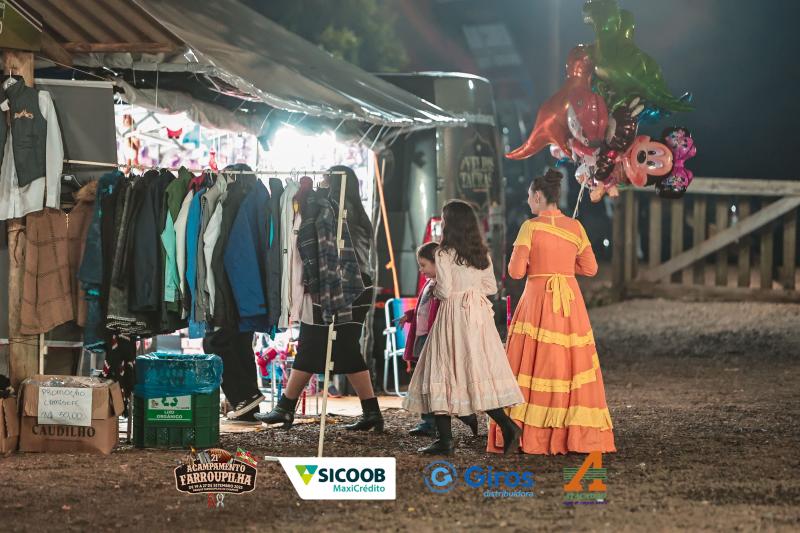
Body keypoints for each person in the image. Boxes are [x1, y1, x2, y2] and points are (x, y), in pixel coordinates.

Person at [488, 169, 616, 455]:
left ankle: (533, 432)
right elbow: (591, 268)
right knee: (570, 361)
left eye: (529, 197)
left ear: (538, 196)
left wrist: (538, 267)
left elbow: (516, 272)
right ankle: (573, 435)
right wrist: (564, 268)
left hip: (537, 299)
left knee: (536, 361)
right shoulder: (576, 227)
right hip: (570, 301)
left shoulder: (529, 227)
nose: (527, 202)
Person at [256, 166, 383, 431]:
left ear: (334, 184)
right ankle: (369, 412)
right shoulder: (357, 213)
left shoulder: (332, 210)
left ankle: (286, 408)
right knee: (329, 344)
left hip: (338, 285)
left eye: (325, 181)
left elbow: (326, 252)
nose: (321, 185)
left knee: (324, 343)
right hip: (358, 286)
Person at [403, 200, 524, 455]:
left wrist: (437, 290)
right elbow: (491, 287)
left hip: (453, 316)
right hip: (478, 317)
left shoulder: (443, 254)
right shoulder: (481, 254)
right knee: (477, 371)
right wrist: (471, 290)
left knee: (442, 370)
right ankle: (508, 426)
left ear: (450, 224)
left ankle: (445, 440)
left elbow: (445, 291)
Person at [399, 242, 478, 438]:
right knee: (424, 382)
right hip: (422, 339)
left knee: (436, 382)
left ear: (438, 263)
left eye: (424, 265)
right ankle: (429, 422)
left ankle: (465, 415)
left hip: (435, 339)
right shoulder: (429, 284)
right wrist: (409, 315)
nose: (421, 270)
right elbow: (424, 308)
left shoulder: (444, 286)